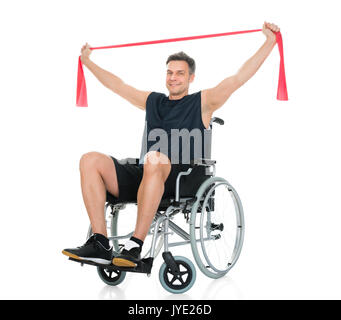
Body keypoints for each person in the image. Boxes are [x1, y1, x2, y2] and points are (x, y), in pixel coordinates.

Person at [62, 22, 280, 267]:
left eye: (180, 73)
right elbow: (118, 85)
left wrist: (269, 42)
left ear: (191, 77)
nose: (173, 77)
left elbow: (239, 78)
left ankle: (135, 245)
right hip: (147, 172)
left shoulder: (203, 102)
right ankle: (100, 242)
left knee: (155, 158)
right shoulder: (153, 101)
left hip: (180, 178)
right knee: (89, 159)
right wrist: (88, 62)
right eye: (170, 72)